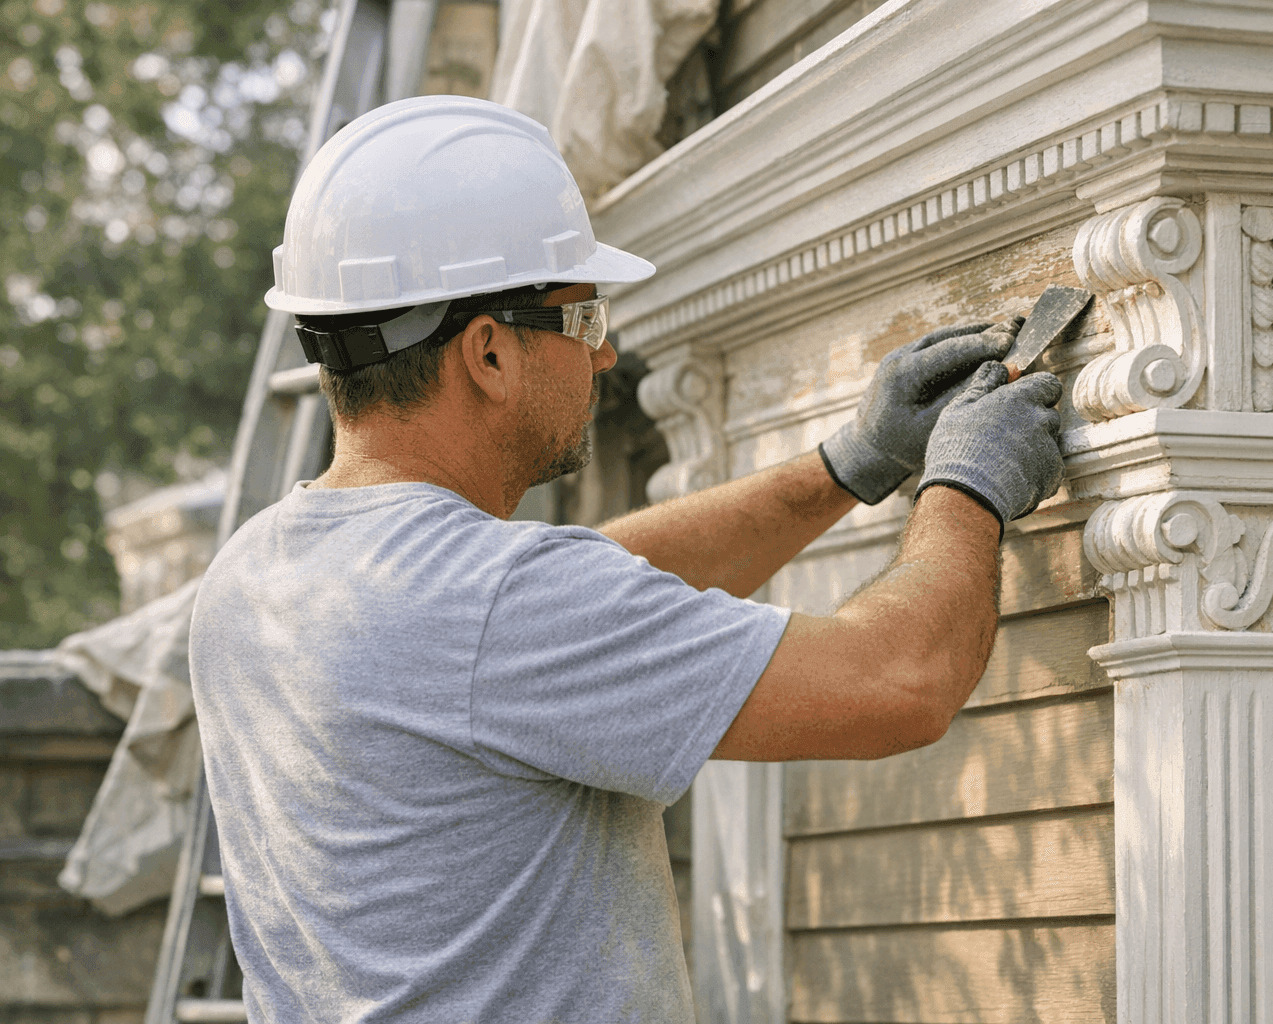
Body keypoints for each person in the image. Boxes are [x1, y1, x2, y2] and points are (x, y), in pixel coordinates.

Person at [188, 95, 1065, 1024]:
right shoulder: (499, 605)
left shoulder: (254, 578)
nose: (603, 356)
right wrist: (967, 484)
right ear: (488, 353)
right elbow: (899, 680)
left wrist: (848, 465)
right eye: (584, 318)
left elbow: (579, 592)